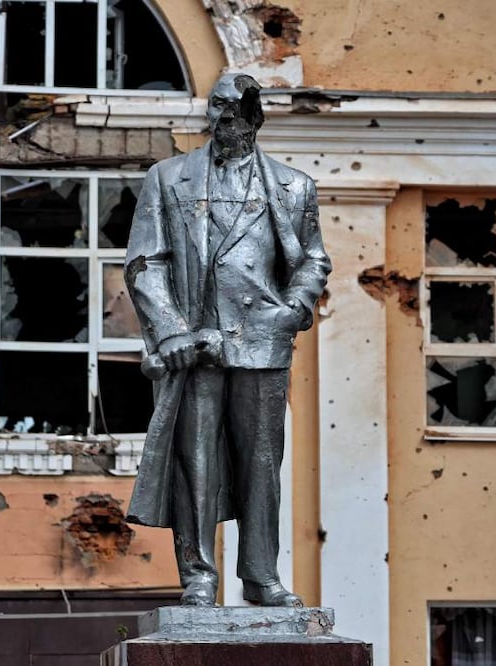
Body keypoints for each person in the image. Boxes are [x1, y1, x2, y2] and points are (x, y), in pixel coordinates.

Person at [123, 72, 331, 607]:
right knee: (196, 463)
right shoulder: (168, 178)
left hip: (263, 343)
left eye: (236, 111)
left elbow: (312, 259)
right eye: (217, 107)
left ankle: (261, 575)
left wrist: (294, 308)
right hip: (195, 345)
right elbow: (146, 261)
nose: (224, 119)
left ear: (256, 117)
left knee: (262, 464)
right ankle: (198, 576)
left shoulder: (293, 186)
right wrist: (168, 329)